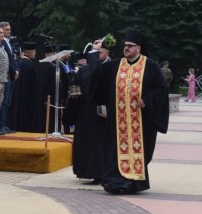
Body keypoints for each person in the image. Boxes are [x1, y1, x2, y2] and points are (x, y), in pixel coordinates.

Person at [93, 29, 169, 194]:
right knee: (114, 150)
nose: (126, 48)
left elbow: (161, 88)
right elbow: (96, 74)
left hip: (140, 122)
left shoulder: (150, 65)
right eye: (125, 45)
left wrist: (147, 100)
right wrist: (95, 50)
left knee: (139, 152)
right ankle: (114, 182)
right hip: (118, 121)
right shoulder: (115, 65)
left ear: (138, 48)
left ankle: (133, 183)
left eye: (130, 45)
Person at [66, 38, 111, 184]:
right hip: (84, 113)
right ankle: (86, 170)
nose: (98, 55)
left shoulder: (110, 68)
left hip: (102, 114)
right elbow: (75, 85)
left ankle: (100, 172)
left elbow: (99, 79)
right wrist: (74, 95)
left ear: (107, 52)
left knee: (99, 145)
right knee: (86, 143)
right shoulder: (84, 70)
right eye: (96, 53)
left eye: (100, 52)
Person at [0, 21, 19, 134]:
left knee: (8, 101)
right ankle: (0, 124)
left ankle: (4, 124)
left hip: (10, 75)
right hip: (5, 75)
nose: (9, 31)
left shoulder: (8, 43)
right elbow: (7, 61)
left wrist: (17, 69)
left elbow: (13, 59)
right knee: (3, 101)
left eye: (10, 29)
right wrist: (13, 71)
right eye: (6, 29)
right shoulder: (2, 43)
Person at [11, 42, 39, 132]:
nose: (35, 53)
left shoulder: (18, 62)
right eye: (34, 51)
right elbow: (32, 85)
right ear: (29, 51)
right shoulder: (29, 65)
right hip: (26, 99)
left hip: (17, 97)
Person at [33, 44, 57, 133]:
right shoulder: (51, 67)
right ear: (53, 54)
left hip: (41, 97)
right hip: (49, 98)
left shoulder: (41, 66)